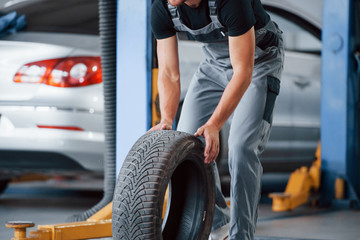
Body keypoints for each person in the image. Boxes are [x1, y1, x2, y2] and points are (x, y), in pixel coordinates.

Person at [150, 0, 284, 239]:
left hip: (258, 64)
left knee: (241, 148)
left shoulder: (230, 2)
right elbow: (169, 73)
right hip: (214, 66)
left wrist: (214, 124)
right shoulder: (162, 7)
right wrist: (167, 119)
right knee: (186, 141)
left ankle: (241, 235)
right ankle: (218, 222)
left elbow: (243, 71)